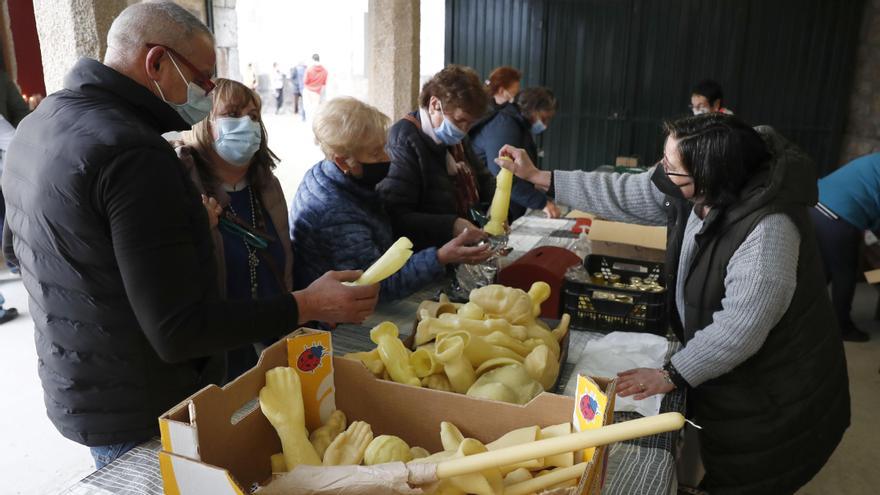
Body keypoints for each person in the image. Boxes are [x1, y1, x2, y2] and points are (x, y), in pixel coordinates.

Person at [1, 2, 378, 469]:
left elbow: (30, 250)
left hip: (78, 378)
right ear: (156, 62)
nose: (206, 93)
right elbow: (179, 330)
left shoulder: (41, 124)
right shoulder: (133, 153)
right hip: (143, 404)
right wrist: (308, 304)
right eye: (202, 79)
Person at [498, 113, 849, 494]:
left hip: (776, 395)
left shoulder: (768, 233)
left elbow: (740, 329)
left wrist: (672, 374)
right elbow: (627, 192)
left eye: (672, 168)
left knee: (748, 475)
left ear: (710, 179)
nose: (662, 173)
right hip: (738, 377)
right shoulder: (707, 182)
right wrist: (541, 177)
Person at [291, 97, 493, 302]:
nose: (388, 159)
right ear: (344, 161)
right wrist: (440, 257)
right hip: (339, 317)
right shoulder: (333, 212)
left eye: (384, 147)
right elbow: (375, 284)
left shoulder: (331, 174)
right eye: (375, 153)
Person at [175, 78, 295, 380]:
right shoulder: (181, 191)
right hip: (217, 363)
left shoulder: (267, 186)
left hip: (273, 347)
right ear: (204, 122)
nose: (247, 124)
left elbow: (284, 263)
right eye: (232, 114)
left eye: (254, 116)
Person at [378, 65, 494, 251]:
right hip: (425, 254)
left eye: (470, 124)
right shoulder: (403, 141)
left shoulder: (456, 140)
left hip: (457, 249)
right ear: (434, 105)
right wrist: (451, 225)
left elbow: (484, 179)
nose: (463, 130)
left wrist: (496, 213)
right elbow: (395, 214)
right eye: (459, 120)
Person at [811, 152, 880, 342]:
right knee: (845, 273)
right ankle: (842, 327)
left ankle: (802, 316)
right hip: (838, 215)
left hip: (815, 204)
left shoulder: (875, 159)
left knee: (822, 271)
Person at [470, 86, 560, 221]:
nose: (545, 125)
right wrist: (541, 203)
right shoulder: (505, 125)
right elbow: (503, 173)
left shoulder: (517, 124)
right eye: (544, 118)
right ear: (533, 109)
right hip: (490, 206)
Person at [303, 53, 328, 120]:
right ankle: (314, 122)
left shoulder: (309, 69)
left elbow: (305, 81)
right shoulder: (325, 71)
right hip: (317, 92)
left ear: (312, 60)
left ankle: (308, 122)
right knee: (315, 109)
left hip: (308, 90)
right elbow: (324, 83)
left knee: (307, 109)